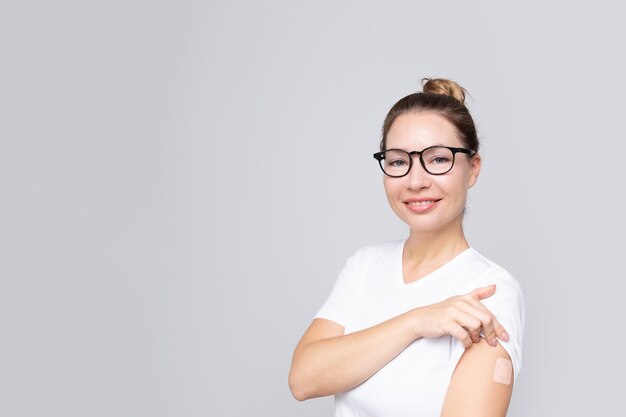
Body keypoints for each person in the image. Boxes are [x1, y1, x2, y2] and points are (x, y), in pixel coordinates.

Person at [288, 78, 525, 417]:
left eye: (439, 159)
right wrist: (415, 322)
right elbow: (302, 379)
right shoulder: (364, 266)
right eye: (399, 162)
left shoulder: (490, 291)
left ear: (473, 169)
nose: (416, 181)